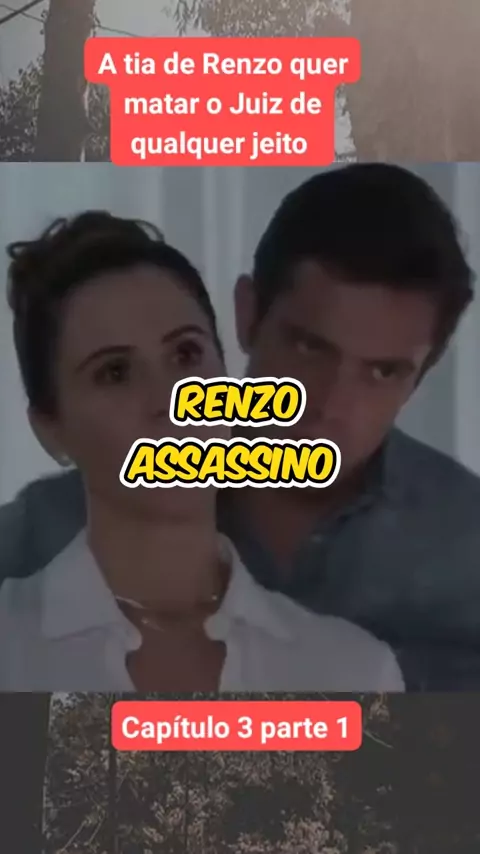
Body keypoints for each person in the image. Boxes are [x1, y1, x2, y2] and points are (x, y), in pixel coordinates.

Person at [0, 162, 479, 689]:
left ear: (423, 374)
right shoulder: (38, 534)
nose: (331, 404)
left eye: (383, 372)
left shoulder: (461, 547)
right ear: (247, 315)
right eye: (309, 347)